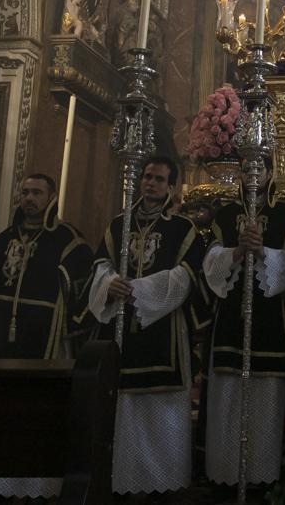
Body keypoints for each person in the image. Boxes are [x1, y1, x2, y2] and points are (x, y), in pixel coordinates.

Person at [0, 173, 93, 501]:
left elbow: (83, 291)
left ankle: (36, 489)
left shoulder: (70, 241)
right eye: (24, 192)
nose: (29, 198)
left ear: (51, 196)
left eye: (36, 192)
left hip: (44, 343)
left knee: (37, 417)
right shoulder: (3, 238)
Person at [87, 156, 210, 497]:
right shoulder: (118, 225)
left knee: (163, 414)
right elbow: (100, 265)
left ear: (172, 188)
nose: (150, 183)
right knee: (122, 405)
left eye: (159, 179)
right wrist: (109, 283)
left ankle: (165, 486)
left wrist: (140, 291)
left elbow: (187, 276)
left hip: (165, 332)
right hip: (122, 332)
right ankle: (124, 483)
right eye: (147, 176)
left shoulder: (182, 229)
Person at [202, 157, 285, 493]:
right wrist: (236, 253)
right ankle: (225, 475)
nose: (252, 176)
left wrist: (264, 251)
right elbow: (209, 261)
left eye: (259, 170)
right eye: (246, 169)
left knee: (267, 401)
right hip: (231, 322)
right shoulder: (224, 216)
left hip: (271, 322)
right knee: (227, 398)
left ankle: (265, 478)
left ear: (270, 173)